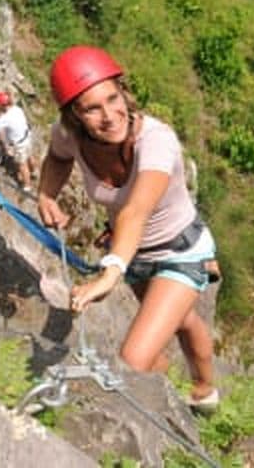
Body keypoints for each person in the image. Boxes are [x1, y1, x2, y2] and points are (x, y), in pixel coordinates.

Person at [36, 45, 221, 411]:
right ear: (74, 114)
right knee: (180, 320)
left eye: (113, 98)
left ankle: (202, 391)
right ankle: (173, 392)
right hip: (135, 254)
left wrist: (110, 274)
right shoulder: (69, 135)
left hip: (180, 250)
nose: (109, 116)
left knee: (133, 358)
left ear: (124, 92)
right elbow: (57, 157)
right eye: (92, 108)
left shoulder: (157, 140)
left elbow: (136, 210)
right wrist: (46, 194)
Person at [0, 90, 37, 192]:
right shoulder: (17, 109)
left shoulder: (5, 118)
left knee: (22, 165)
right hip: (27, 137)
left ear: (1, 106)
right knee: (30, 156)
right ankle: (35, 171)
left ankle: (27, 185)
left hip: (19, 145)